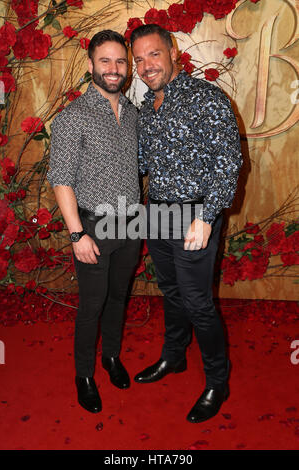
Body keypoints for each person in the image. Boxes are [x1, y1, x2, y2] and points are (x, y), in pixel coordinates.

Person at [130, 24, 243, 423]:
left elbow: (228, 163)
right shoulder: (146, 107)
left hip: (194, 215)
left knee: (198, 303)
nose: (146, 66)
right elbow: (143, 164)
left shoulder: (206, 98)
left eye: (153, 55)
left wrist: (207, 216)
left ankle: (217, 380)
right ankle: (174, 358)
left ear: (173, 51)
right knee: (171, 292)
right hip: (158, 212)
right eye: (139, 60)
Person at [47, 30, 141, 413]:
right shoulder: (73, 117)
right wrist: (77, 234)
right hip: (94, 228)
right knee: (92, 305)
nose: (114, 69)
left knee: (119, 298)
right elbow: (61, 178)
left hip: (130, 225)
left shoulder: (133, 113)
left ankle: (112, 357)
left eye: (120, 61)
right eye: (105, 61)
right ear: (90, 65)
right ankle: (84, 374)